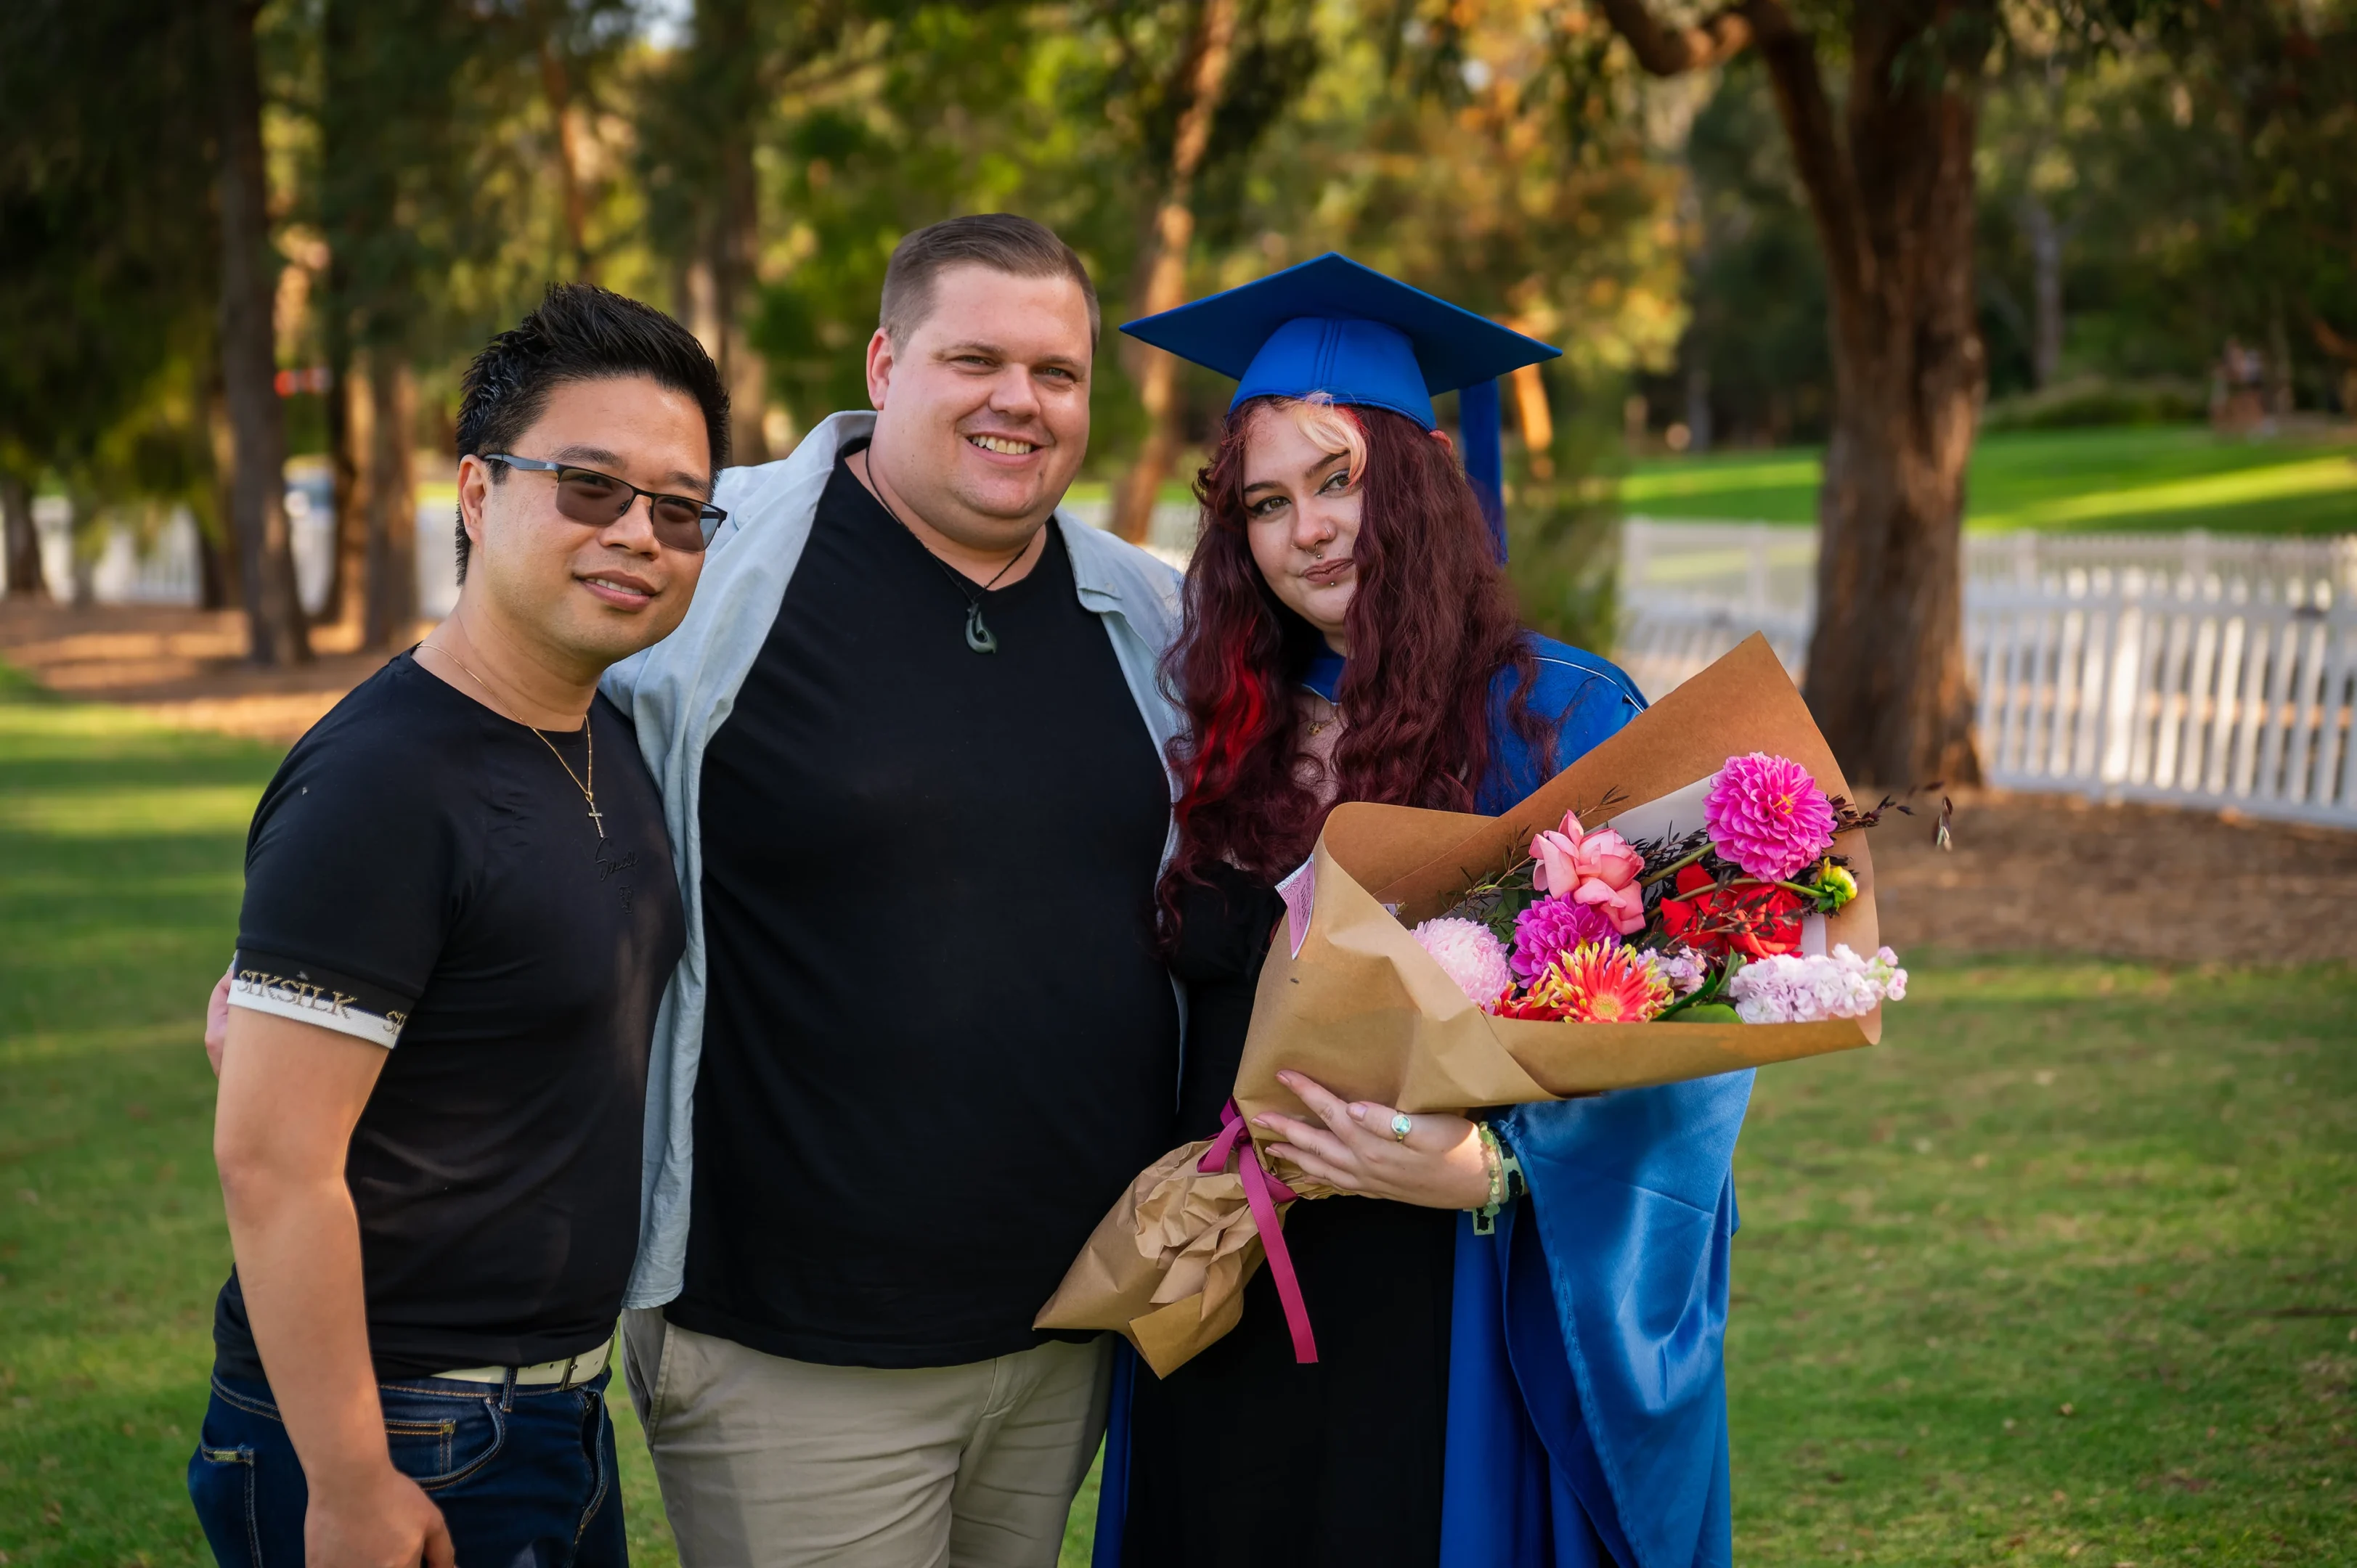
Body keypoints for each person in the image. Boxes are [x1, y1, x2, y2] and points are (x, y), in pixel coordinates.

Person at [1091, 254, 1749, 1568]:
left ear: (1420, 471)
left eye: (1338, 479)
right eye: (1267, 504)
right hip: (1231, 1301)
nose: (1309, 530)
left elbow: (1684, 1047)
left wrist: (1494, 1172)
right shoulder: (1221, 730)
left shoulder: (1562, 720)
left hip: (1447, 1308)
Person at [599, 213, 1186, 1567]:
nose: (1018, 402)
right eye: (973, 358)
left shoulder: (1145, 614)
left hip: (1065, 1332)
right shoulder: (711, 552)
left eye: (1057, 373)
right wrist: (354, 940)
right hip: (794, 1348)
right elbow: (487, 703)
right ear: (882, 362)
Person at [190, 283, 726, 1567]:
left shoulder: (603, 730)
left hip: (550, 1417)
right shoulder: (385, 780)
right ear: (478, 497)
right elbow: (272, 1164)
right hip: (405, 1427)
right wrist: (350, 1478)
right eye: (589, 488)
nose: (638, 535)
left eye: (678, 508)